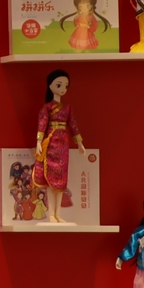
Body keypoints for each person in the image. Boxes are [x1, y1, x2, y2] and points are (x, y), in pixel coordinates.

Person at [33, 70, 85, 224]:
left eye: (66, 86)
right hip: (51, 143)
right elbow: (42, 124)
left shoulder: (68, 108)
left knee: (62, 179)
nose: (63, 89)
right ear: (50, 86)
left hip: (63, 144)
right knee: (50, 180)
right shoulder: (47, 108)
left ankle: (58, 214)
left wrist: (79, 143)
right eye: (59, 85)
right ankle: (51, 215)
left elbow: (73, 125)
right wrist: (38, 142)